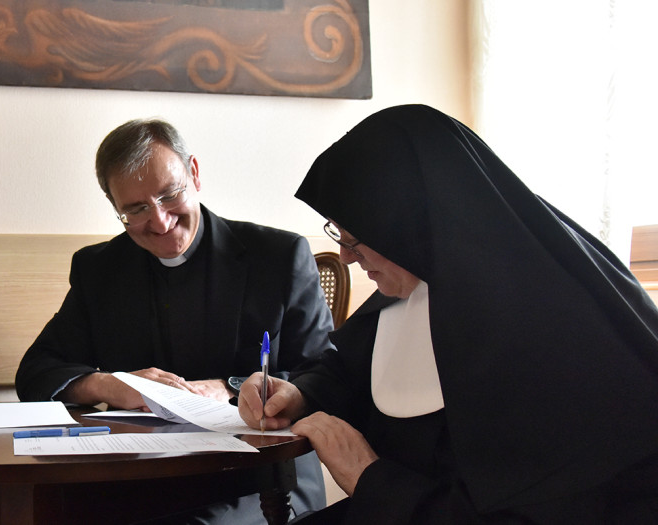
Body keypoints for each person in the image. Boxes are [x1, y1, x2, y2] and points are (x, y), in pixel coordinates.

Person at [238, 104, 658, 523]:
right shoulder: (422, 279)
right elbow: (349, 369)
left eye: (355, 237)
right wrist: (298, 394)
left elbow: (534, 513)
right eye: (338, 233)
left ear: (406, 224)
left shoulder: (554, 331)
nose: (345, 257)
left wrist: (370, 478)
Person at [15, 118, 332, 523]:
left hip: (261, 478)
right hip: (144, 477)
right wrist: (111, 383)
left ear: (194, 173)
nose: (161, 221)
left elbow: (322, 373)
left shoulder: (279, 256)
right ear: (116, 209)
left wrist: (231, 387)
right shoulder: (100, 269)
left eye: (169, 195)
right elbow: (36, 372)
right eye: (137, 209)